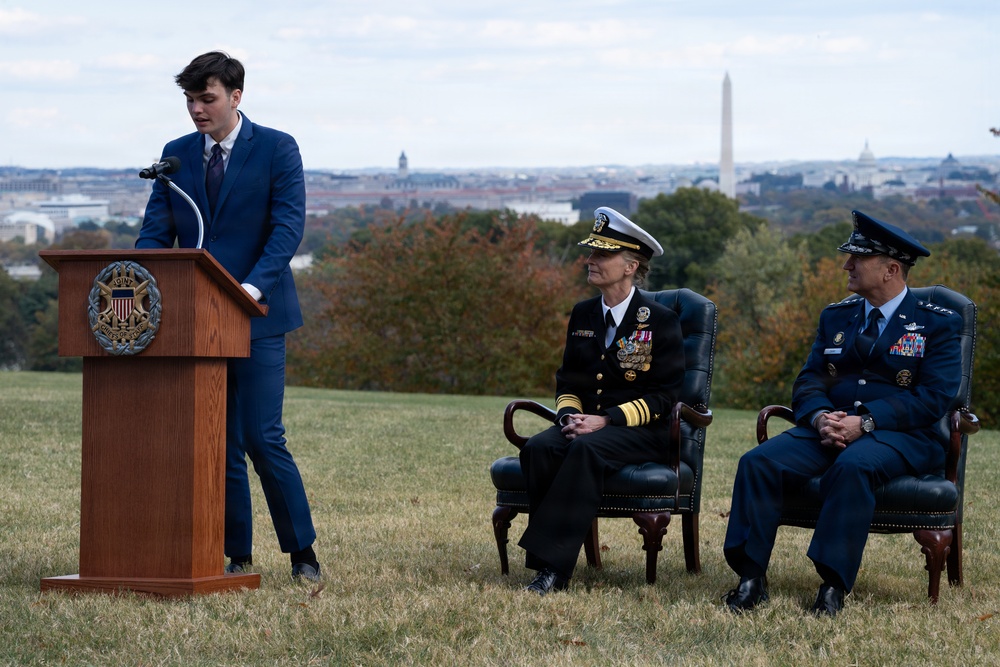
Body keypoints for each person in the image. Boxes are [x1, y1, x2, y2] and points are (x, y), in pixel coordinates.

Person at [135, 51, 320, 581]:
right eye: (190, 100)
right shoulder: (175, 156)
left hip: (257, 315)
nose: (197, 109)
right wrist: (140, 282)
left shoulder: (278, 148)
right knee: (218, 442)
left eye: (207, 99)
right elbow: (155, 235)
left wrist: (250, 289)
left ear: (236, 96)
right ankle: (236, 554)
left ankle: (303, 554)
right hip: (195, 321)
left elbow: (287, 228)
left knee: (263, 437)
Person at [722, 210, 962, 616]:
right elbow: (808, 382)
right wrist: (820, 418)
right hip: (829, 427)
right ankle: (750, 578)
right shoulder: (835, 316)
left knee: (853, 466)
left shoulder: (936, 324)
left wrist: (865, 422)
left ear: (890, 269)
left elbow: (933, 398)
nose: (846, 265)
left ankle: (832, 585)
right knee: (757, 463)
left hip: (902, 436)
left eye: (858, 259)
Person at [518, 206, 686, 595]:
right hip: (587, 424)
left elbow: (665, 396)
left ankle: (554, 571)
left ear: (630, 266)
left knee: (585, 450)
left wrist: (606, 419)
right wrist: (570, 417)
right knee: (540, 448)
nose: (590, 260)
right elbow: (568, 380)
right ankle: (543, 562)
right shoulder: (583, 314)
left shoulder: (660, 320)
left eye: (601, 254)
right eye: (591, 252)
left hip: (641, 430)